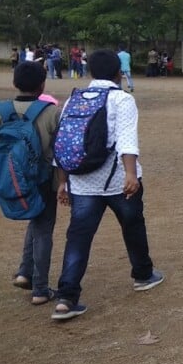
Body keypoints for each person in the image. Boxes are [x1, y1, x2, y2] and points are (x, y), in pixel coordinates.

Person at [51, 49, 164, 320]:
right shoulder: (122, 99)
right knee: (133, 225)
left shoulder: (73, 99)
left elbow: (64, 143)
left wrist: (63, 182)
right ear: (118, 73)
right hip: (116, 180)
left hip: (82, 182)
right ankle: (143, 274)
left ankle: (66, 297)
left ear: (90, 72)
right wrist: (131, 175)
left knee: (78, 236)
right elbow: (127, 139)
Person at [6, 62, 63, 306]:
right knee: (43, 229)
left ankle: (24, 272)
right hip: (42, 180)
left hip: (10, 179)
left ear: (14, 83)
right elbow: (60, 152)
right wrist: (63, 183)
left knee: (35, 222)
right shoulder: (51, 111)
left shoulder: (1, 110)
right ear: (42, 85)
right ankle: (40, 288)